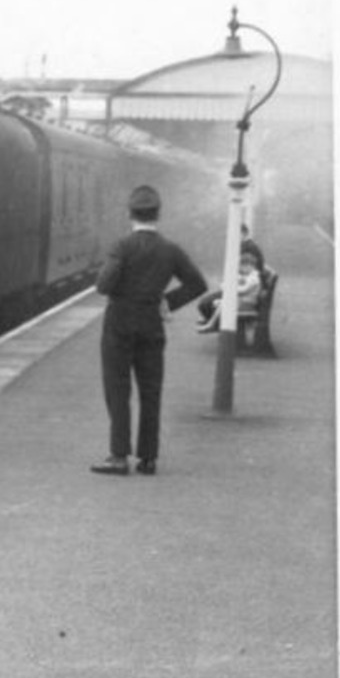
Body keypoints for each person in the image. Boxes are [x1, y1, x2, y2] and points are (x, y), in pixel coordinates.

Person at [91, 184, 208, 477]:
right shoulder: (170, 250)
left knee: (118, 390)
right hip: (151, 328)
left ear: (130, 214)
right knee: (150, 392)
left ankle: (118, 457)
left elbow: (103, 286)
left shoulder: (122, 246)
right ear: (158, 214)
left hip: (118, 327)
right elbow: (197, 284)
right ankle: (148, 458)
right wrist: (167, 301)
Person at [196, 249, 264, 332]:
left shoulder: (254, 279)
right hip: (242, 300)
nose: (241, 270)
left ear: (250, 266)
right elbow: (240, 283)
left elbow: (243, 290)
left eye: (242, 267)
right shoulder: (249, 275)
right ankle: (214, 321)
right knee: (217, 302)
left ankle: (212, 325)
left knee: (223, 304)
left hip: (247, 303)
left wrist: (230, 288)